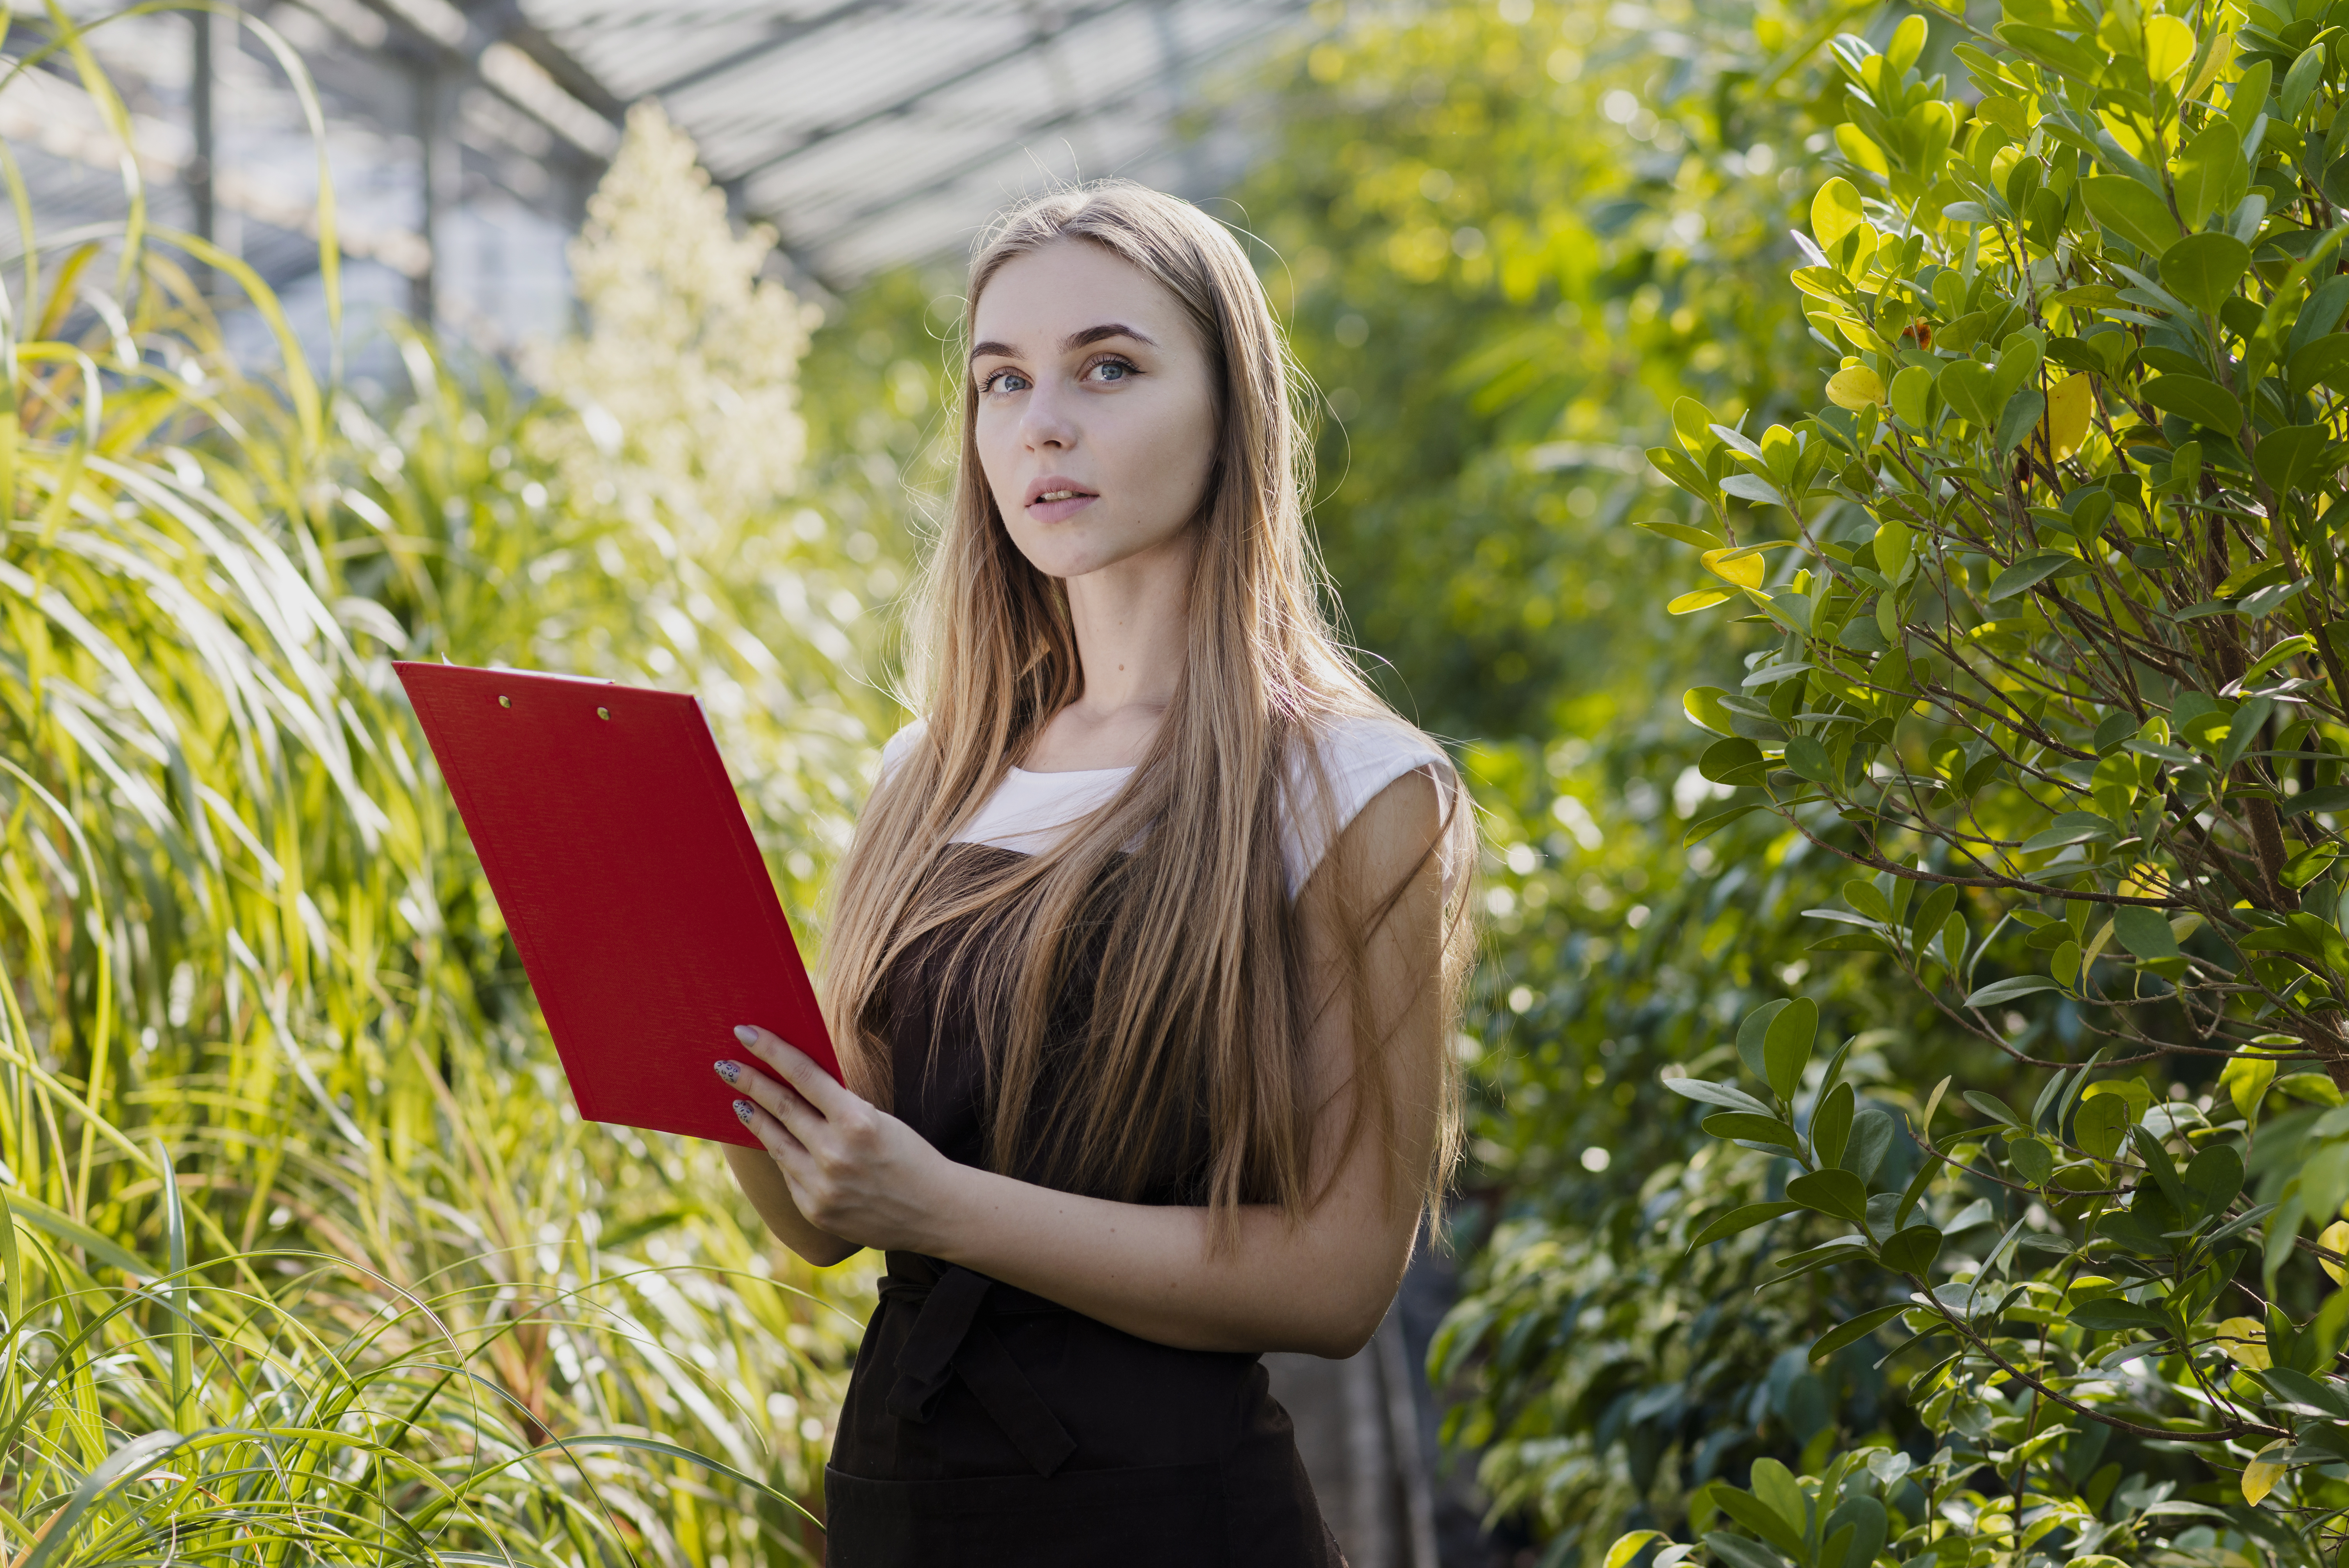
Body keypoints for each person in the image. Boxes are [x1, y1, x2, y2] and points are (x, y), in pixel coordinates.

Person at [711, 180, 1476, 1566]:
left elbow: (1337, 1276)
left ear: (1232, 410)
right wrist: (694, 1037)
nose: (1042, 424)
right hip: (900, 1500)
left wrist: (939, 1206)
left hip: (1167, 1519)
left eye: (1107, 368)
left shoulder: (1353, 786)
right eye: (1001, 382)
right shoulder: (929, 772)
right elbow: (824, 1221)